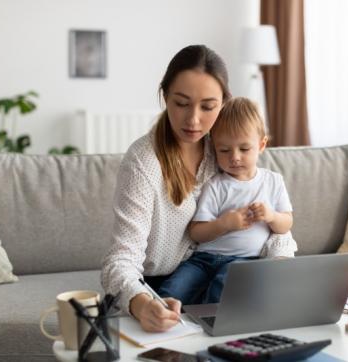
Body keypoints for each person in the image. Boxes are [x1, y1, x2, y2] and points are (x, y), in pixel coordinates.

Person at [101, 45, 297, 333]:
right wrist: (141, 303)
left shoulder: (224, 150)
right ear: (165, 96)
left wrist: (277, 264)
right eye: (181, 103)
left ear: (223, 104)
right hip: (162, 290)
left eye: (208, 107)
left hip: (233, 275)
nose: (193, 120)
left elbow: (275, 226)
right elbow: (121, 259)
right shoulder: (143, 162)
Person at [157, 97, 294, 305]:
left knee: (224, 288)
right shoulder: (215, 184)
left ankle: (208, 326)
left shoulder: (272, 181)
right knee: (172, 289)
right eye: (224, 150)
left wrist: (271, 216)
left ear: (262, 144)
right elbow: (196, 232)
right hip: (203, 259)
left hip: (244, 261)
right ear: (213, 148)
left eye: (244, 149)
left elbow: (286, 224)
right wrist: (225, 224)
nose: (235, 157)